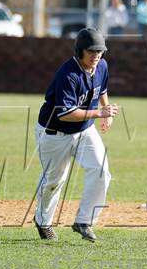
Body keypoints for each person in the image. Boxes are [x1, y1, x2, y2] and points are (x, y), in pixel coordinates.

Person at [34, 28, 119, 242]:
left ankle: (84, 221)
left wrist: (106, 112)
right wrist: (100, 113)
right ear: (80, 51)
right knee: (54, 180)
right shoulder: (68, 74)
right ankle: (43, 222)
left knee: (101, 171)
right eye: (91, 51)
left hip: (84, 130)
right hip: (54, 133)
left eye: (100, 51)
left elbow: (101, 90)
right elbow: (67, 114)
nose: (96, 55)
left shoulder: (101, 66)